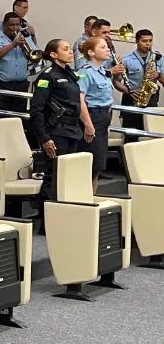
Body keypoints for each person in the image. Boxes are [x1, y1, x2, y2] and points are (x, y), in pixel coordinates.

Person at [31, 39, 95, 222]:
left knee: (69, 175)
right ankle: (46, 221)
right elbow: (37, 110)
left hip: (72, 130)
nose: (69, 52)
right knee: (54, 176)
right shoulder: (47, 76)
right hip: (56, 132)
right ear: (53, 54)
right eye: (65, 49)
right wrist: (44, 138)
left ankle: (64, 216)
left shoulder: (71, 74)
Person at [77, 36, 122, 191]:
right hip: (92, 117)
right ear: (91, 52)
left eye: (107, 47)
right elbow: (80, 100)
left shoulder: (103, 71)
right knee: (90, 164)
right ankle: (84, 200)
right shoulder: (85, 72)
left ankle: (92, 197)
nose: (107, 49)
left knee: (98, 165)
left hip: (103, 118)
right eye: (102, 47)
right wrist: (88, 125)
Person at [0, 10, 36, 121]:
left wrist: (30, 40)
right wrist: (13, 44)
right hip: (1, 85)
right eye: (11, 25)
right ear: (4, 25)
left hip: (21, 84)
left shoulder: (24, 37)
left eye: (17, 25)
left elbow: (34, 55)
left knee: (18, 119)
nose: (14, 28)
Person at [120, 29, 161, 131]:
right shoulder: (126, 59)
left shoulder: (158, 58)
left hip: (151, 99)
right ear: (137, 42)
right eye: (144, 41)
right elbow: (116, 81)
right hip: (132, 99)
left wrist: (159, 75)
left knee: (152, 133)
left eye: (150, 40)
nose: (148, 44)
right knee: (131, 133)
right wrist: (128, 91)